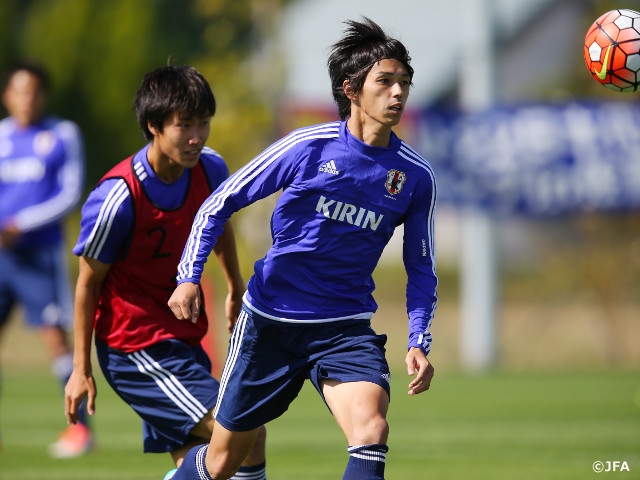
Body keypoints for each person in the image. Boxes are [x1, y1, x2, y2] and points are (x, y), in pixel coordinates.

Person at [167, 17, 438, 480]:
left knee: (371, 429)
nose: (398, 93)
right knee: (222, 461)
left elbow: (421, 267)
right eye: (385, 81)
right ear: (351, 89)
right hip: (270, 322)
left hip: (343, 328)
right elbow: (218, 203)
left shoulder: (414, 176)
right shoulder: (306, 146)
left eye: (404, 83)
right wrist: (189, 276)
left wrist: (418, 338)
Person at [63, 65, 267, 479]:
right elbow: (88, 283)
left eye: (204, 123)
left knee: (204, 463)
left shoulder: (210, 170)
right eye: (184, 125)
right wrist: (80, 369)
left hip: (183, 337)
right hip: (135, 348)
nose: (197, 136)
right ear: (154, 126)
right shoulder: (118, 198)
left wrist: (234, 286)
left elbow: (220, 225)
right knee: (244, 429)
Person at [0, 60, 90, 458]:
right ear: (7, 96)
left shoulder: (62, 134)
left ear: (44, 95)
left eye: (34, 91)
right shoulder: (1, 137)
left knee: (56, 339)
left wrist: (20, 223)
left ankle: (80, 432)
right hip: (3, 255)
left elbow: (69, 193)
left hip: (41, 254)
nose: (27, 99)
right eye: (19, 91)